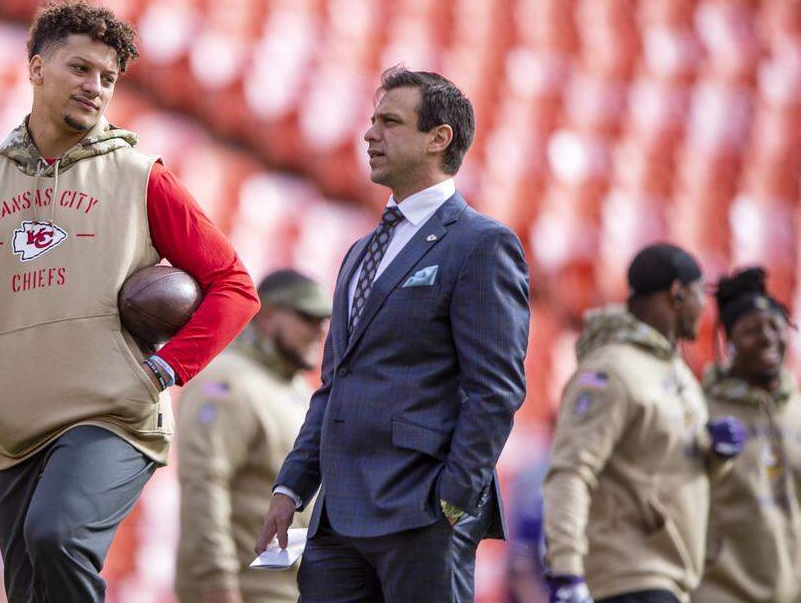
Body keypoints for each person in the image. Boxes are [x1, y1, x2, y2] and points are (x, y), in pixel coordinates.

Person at [0, 0, 258, 603]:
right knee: (32, 590)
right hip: (16, 433)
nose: (96, 87)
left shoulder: (141, 175)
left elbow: (234, 287)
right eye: (80, 69)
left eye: (108, 78)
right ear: (37, 68)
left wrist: (165, 369)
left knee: (57, 536)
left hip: (112, 416)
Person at [256, 67, 531, 603]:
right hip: (336, 517)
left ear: (438, 138)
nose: (369, 134)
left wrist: (452, 499)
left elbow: (495, 389)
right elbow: (334, 384)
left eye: (389, 121)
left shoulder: (481, 244)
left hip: (420, 511)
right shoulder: (360, 252)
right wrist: (292, 486)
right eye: (371, 120)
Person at [541, 243, 747, 603]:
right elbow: (571, 471)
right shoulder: (610, 370)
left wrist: (716, 455)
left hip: (667, 578)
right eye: (701, 293)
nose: (705, 307)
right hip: (627, 581)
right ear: (677, 294)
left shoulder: (678, 373)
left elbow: (669, 469)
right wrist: (567, 570)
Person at [175, 269, 331, 603]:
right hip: (244, 591)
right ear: (269, 315)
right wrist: (214, 583)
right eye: (308, 317)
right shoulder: (226, 381)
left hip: (291, 591)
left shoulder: (298, 390)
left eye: (325, 320)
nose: (320, 330)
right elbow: (204, 484)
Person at [692, 268, 800, 603]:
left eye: (774, 326)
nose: (767, 337)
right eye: (752, 330)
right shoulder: (701, 410)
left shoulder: (797, 410)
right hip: (723, 592)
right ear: (729, 343)